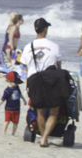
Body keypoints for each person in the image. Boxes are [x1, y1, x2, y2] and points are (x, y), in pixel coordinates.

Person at [19, 18, 63, 147]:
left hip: (34, 81)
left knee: (40, 112)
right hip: (51, 80)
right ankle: (44, 138)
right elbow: (59, 68)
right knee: (54, 111)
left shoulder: (28, 47)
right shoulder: (54, 46)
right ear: (45, 29)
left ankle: (44, 138)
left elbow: (27, 69)